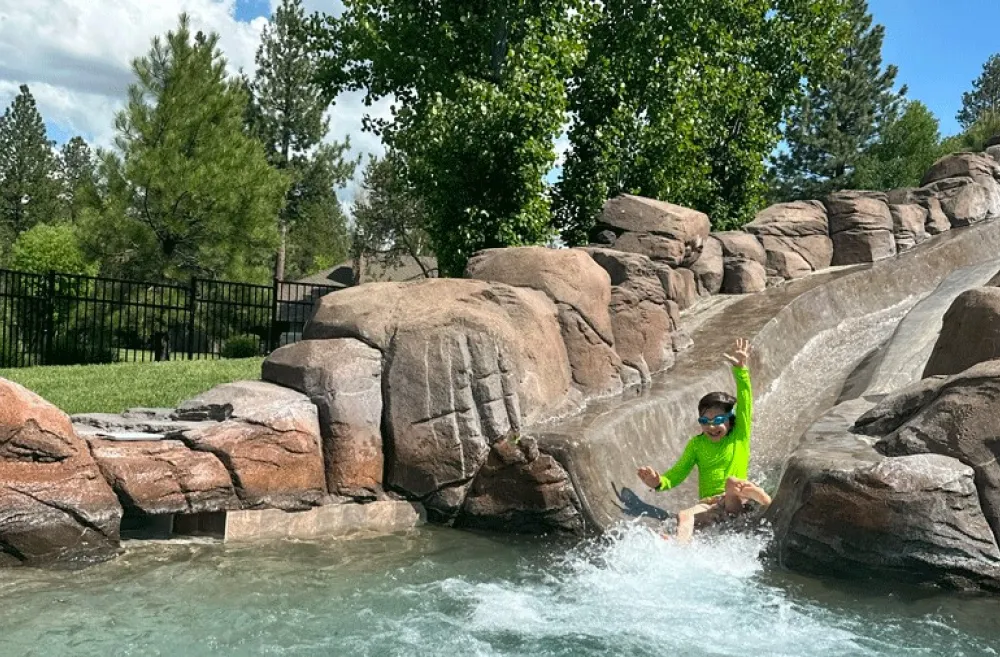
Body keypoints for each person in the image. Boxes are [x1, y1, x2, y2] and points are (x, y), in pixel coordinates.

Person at [637, 337, 771, 543]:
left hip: (736, 501)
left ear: (729, 420)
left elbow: (746, 403)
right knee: (684, 515)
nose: (711, 427)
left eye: (718, 420)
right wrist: (658, 482)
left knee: (732, 483)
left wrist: (741, 371)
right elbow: (677, 473)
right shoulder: (697, 445)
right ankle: (681, 548)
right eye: (704, 421)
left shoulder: (738, 436)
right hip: (710, 506)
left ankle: (763, 500)